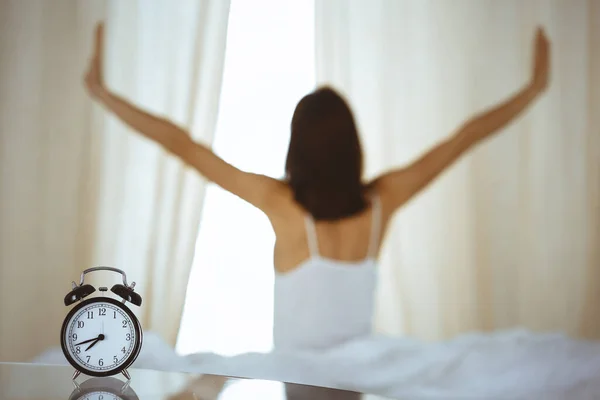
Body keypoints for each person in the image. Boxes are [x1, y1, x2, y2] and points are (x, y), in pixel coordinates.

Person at [83, 23, 550, 398]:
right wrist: (532, 89)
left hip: (300, 376)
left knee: (197, 387)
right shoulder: (382, 202)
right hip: (363, 374)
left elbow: (185, 146)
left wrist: (103, 93)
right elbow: (462, 140)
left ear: (298, 148)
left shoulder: (282, 205)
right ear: (352, 148)